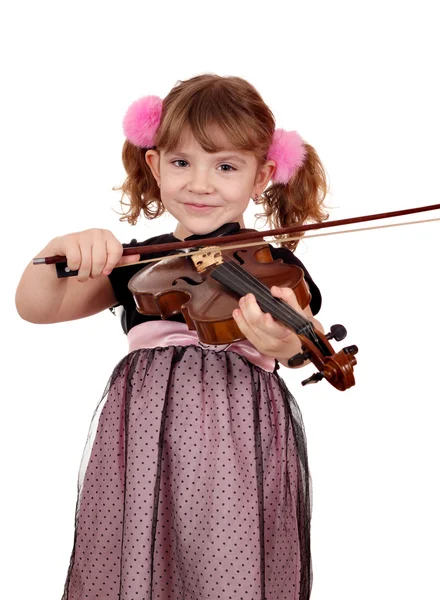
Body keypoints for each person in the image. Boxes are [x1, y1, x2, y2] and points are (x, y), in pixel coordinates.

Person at [15, 74, 329, 600]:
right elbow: (36, 308)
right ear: (155, 165)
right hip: (143, 435)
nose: (200, 184)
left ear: (262, 176)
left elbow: (303, 331)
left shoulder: (271, 267)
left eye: (226, 166)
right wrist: (60, 250)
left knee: (227, 560)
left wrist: (283, 344)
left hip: (236, 433)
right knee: (141, 552)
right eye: (182, 163)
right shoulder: (140, 266)